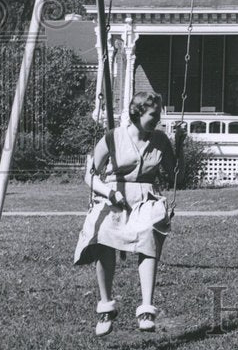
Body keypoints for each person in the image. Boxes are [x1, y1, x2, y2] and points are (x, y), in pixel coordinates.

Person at [74, 91, 182, 336]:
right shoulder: (113, 138)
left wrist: (181, 146)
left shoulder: (161, 141)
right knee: (103, 232)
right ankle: (106, 307)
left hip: (146, 197)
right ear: (138, 113)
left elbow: (176, 173)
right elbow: (89, 175)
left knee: (150, 232)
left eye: (159, 115)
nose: (158, 120)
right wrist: (109, 194)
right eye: (153, 115)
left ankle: (146, 308)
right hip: (114, 194)